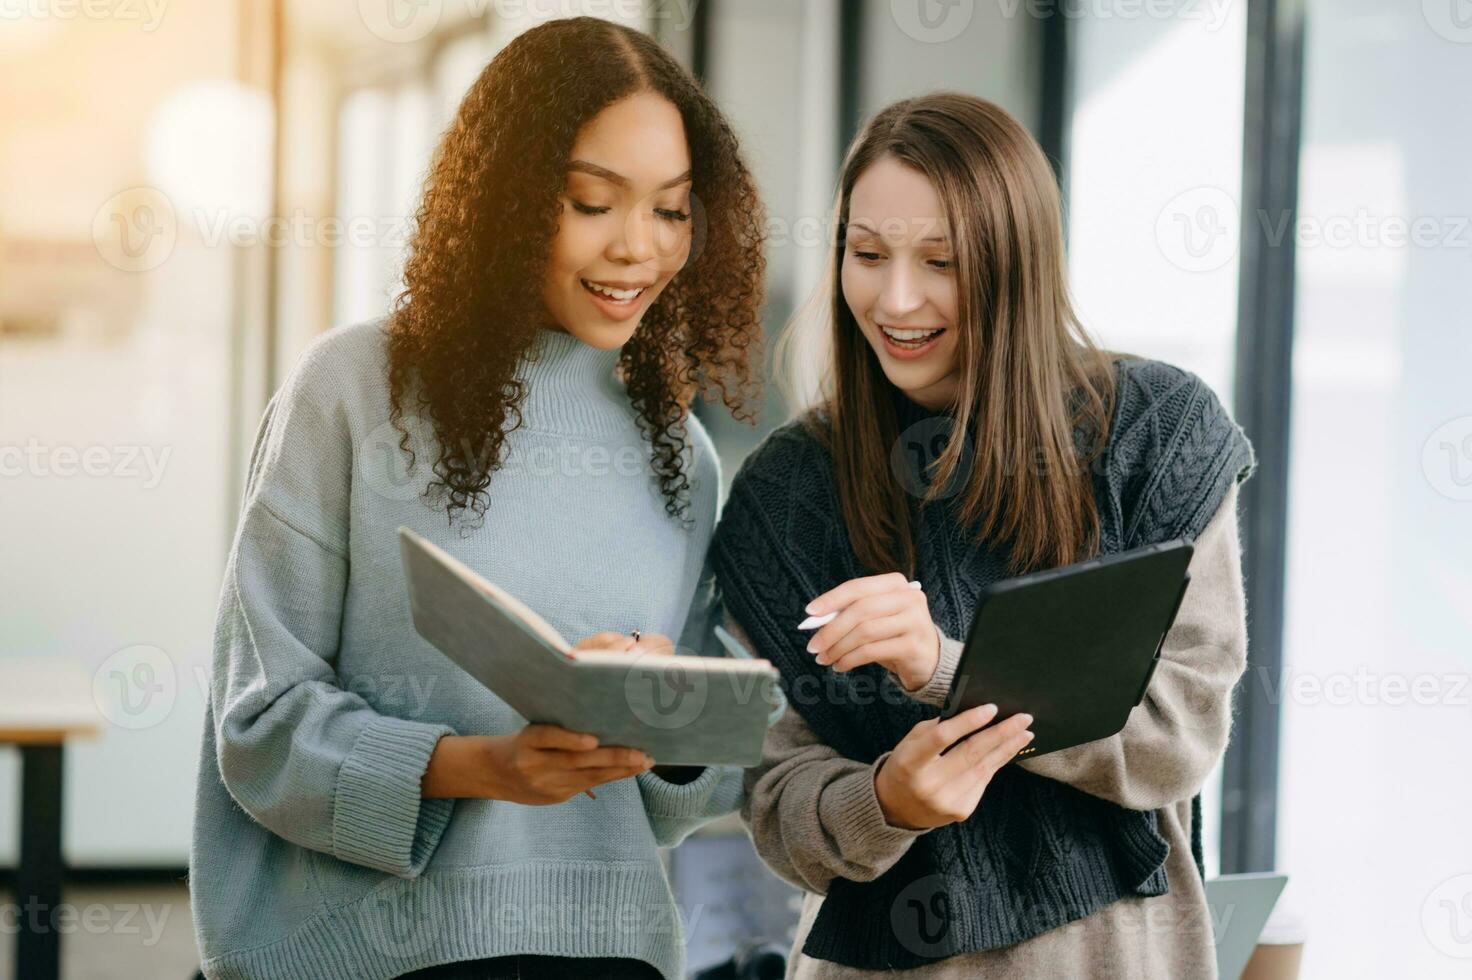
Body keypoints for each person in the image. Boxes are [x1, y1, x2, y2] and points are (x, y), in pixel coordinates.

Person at [189, 18, 766, 980]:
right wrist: (479, 766)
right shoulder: (353, 388)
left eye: (671, 210)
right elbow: (258, 727)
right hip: (357, 956)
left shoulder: (680, 453)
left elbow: (690, 792)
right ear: (506, 200)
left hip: (600, 954)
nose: (639, 249)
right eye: (593, 202)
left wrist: (665, 723)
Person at [711, 92, 1256, 978]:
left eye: (942, 261)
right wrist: (886, 800)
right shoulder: (788, 495)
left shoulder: (1154, 438)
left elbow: (1174, 738)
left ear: (1017, 263)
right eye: (866, 254)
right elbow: (776, 804)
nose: (896, 298)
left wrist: (946, 669)